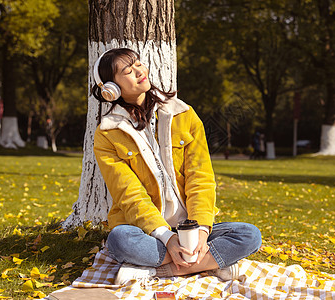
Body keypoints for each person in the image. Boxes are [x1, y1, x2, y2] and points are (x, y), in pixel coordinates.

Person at [92, 48, 262, 285]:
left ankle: (160, 271)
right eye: (128, 71)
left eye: (138, 64)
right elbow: (128, 195)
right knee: (120, 240)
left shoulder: (184, 114)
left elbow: (200, 177)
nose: (139, 71)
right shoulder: (107, 134)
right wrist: (168, 238)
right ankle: (210, 265)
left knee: (249, 235)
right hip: (148, 233)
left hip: (191, 228)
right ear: (112, 89)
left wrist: (202, 230)